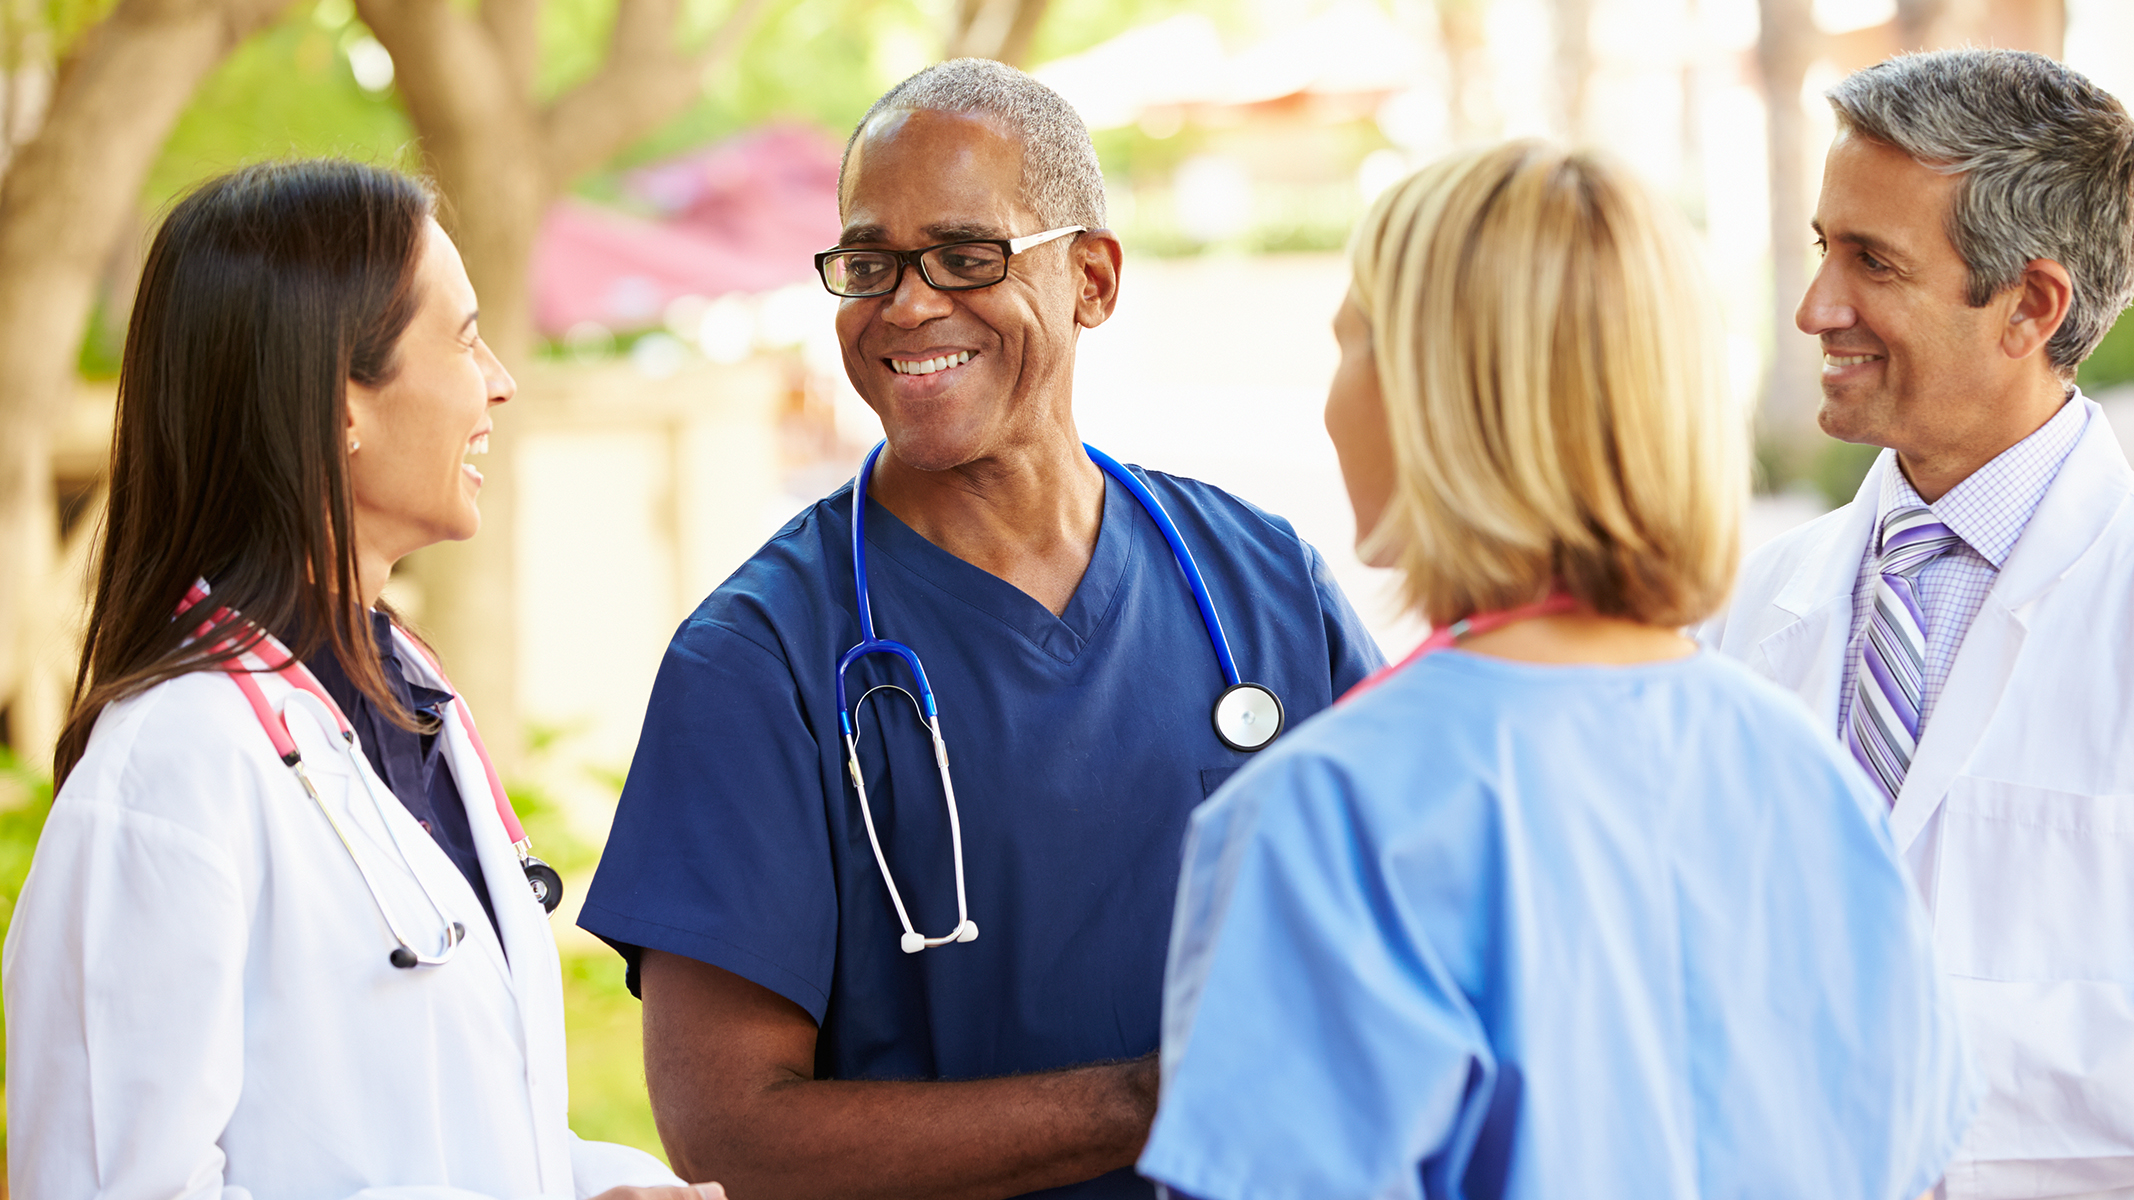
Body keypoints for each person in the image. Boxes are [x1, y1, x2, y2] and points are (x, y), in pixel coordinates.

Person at [576, 59, 1381, 1200]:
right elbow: (729, 1134)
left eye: (967, 256)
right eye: (870, 264)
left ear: (1091, 279)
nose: (906, 304)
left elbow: (1410, 939)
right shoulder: (760, 658)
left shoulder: (1264, 585)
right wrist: (1144, 1101)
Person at [1136, 141, 1978, 1199]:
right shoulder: (1808, 775)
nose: (1329, 400)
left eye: (1349, 344)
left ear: (1433, 395)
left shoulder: (1332, 815)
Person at [3, 160, 720, 1200]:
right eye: (466, 338)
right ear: (340, 397)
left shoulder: (404, 701)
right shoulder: (172, 771)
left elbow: (442, 1129)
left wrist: (592, 1187)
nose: (501, 380)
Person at [1699, 49, 2134, 1198]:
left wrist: (1850, 1043)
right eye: (1820, 248)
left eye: (1871, 263)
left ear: (2029, 307)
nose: (1813, 309)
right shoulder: (1755, 602)